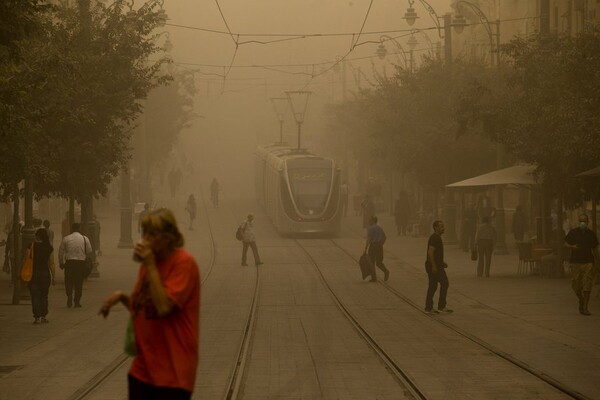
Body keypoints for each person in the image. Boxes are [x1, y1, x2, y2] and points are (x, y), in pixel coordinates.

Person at [98, 208, 200, 400]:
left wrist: (151, 265)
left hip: (172, 372)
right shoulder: (149, 265)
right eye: (144, 233)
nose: (145, 239)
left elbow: (164, 307)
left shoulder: (183, 263)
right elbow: (145, 309)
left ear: (169, 237)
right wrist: (121, 298)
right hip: (142, 370)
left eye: (152, 234)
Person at [564, 214, 599, 316]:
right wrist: (572, 247)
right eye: (581, 221)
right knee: (576, 285)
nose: (582, 223)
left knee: (587, 285)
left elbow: (595, 249)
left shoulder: (591, 234)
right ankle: (581, 299)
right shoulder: (573, 233)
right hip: (576, 262)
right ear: (579, 222)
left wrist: (597, 263)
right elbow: (564, 243)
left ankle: (585, 308)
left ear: (587, 222)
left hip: (588, 262)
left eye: (584, 221)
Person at [59, 223, 93, 308]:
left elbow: (61, 252)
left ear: (71, 229)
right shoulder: (85, 239)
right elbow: (89, 251)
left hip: (69, 262)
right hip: (80, 263)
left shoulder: (66, 238)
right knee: (79, 282)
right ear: (79, 228)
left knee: (68, 280)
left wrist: (61, 263)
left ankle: (69, 294)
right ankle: (77, 301)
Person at [28, 228, 56, 324]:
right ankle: (43, 316)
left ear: (37, 236)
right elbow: (51, 263)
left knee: (35, 296)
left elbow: (26, 259)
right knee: (44, 296)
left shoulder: (31, 246)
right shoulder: (49, 247)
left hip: (33, 273)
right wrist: (54, 277)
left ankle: (37, 317)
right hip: (45, 273)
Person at [424, 220, 453, 314]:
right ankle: (441, 306)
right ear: (436, 228)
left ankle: (429, 307)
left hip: (436, 265)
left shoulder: (436, 237)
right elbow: (430, 252)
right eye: (441, 226)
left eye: (443, 226)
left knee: (433, 286)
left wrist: (441, 262)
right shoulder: (435, 238)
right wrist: (434, 266)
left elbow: (435, 254)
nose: (443, 228)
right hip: (435, 266)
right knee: (445, 283)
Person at [365, 216, 390, 282]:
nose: (369, 222)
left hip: (373, 246)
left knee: (372, 262)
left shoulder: (370, 229)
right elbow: (385, 237)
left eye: (370, 220)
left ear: (373, 221)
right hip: (379, 246)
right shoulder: (380, 228)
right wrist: (381, 244)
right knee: (379, 262)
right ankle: (386, 271)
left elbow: (369, 239)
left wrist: (366, 247)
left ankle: (374, 278)